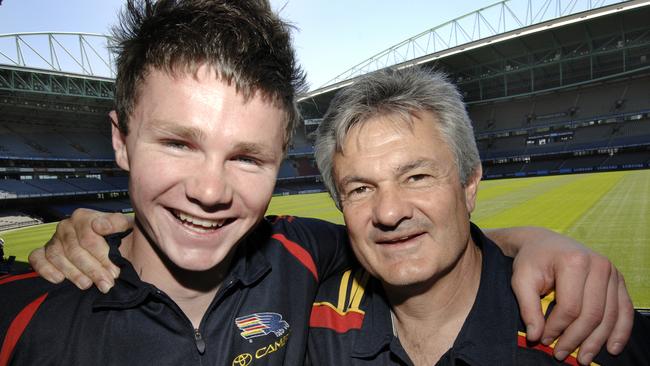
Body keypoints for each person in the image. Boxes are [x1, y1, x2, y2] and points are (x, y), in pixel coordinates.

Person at [12, 0, 633, 365]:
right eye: (178, 143)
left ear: (283, 161)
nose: (209, 190)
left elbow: (415, 244)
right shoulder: (25, 310)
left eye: (247, 157)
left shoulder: (303, 255)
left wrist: (539, 243)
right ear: (120, 139)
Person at [307, 67, 649, 365]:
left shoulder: (585, 331)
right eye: (360, 189)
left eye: (417, 177)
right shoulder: (313, 322)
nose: (389, 212)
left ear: (469, 184)